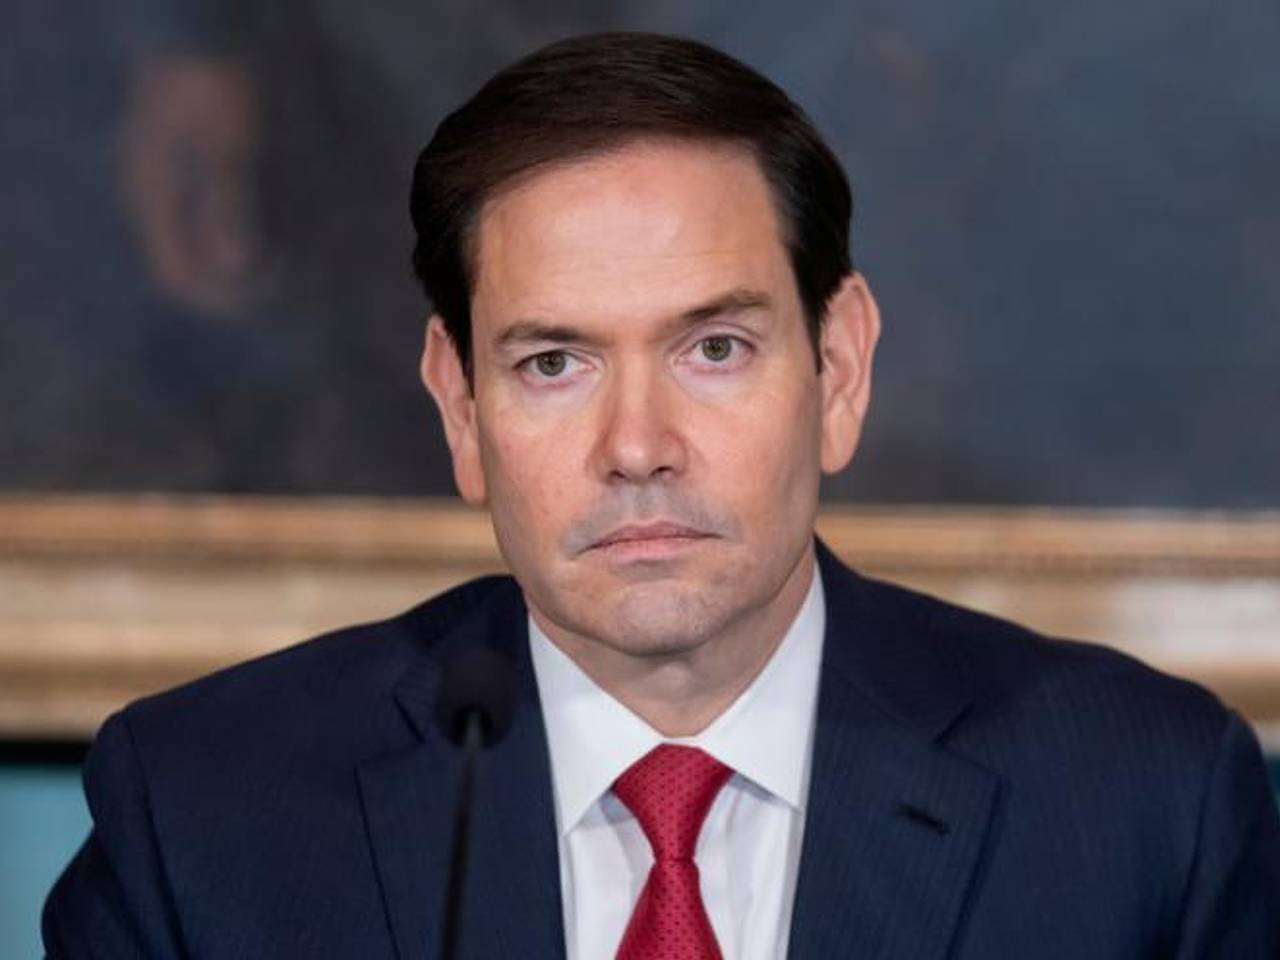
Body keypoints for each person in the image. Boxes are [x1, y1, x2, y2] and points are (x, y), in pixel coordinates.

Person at [43, 31, 1280, 959]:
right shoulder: (206, 815)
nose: (636, 447)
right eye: (552, 363)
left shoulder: (1143, 808)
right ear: (459, 406)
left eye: (713, 349)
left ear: (839, 369)